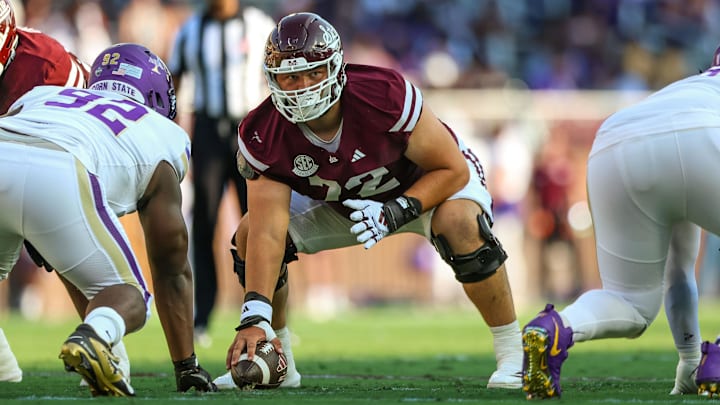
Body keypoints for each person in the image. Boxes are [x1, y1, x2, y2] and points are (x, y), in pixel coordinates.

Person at [217, 12, 524, 390]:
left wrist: (398, 211)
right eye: (291, 76)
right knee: (248, 234)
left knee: (460, 222)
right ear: (272, 79)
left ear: (336, 69)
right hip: (342, 202)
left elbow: (452, 171)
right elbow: (266, 230)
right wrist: (254, 317)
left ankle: (513, 354)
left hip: (423, 188)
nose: (302, 87)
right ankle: (278, 361)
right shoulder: (263, 129)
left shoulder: (384, 93)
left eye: (313, 73)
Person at [0, 43, 216, 396]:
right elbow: (171, 261)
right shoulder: (163, 133)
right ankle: (94, 336)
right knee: (130, 295)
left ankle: (9, 371)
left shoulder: (44, 95)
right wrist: (186, 364)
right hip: (59, 168)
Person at [520, 46, 720, 399]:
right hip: (702, 131)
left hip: (618, 138)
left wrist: (689, 360)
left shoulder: (691, 86)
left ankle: (556, 326)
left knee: (630, 303)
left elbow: (680, 273)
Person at [167, 0, 275, 346]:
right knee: (204, 225)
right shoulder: (189, 30)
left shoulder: (259, 25)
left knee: (261, 223)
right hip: (209, 132)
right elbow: (174, 82)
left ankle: (265, 313)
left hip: (251, 129)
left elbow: (280, 76)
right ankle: (202, 317)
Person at [0, 0, 96, 383]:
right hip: (9, 167)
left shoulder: (43, 64)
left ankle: (108, 352)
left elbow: (83, 128)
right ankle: (4, 370)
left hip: (60, 157)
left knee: (69, 258)